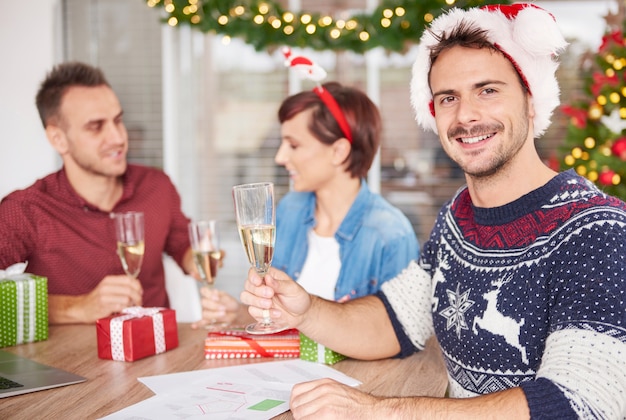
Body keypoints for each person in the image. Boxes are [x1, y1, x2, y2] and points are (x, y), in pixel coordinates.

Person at [240, 3, 626, 419]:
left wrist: (378, 411)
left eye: (488, 90)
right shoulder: (456, 218)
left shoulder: (597, 229)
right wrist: (307, 310)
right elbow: (393, 321)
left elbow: (582, 403)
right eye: (448, 98)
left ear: (531, 101)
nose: (466, 115)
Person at [196, 80, 419, 328]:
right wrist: (239, 313)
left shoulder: (390, 234)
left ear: (338, 151)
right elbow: (279, 318)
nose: (280, 157)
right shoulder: (290, 209)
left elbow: (400, 336)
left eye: (294, 145)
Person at [0, 62, 198, 324]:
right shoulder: (25, 209)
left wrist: (199, 260)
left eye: (118, 120)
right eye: (96, 126)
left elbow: (183, 243)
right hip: (69, 363)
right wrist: (77, 307)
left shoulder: (156, 186)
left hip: (159, 357)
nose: (117, 138)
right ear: (58, 139)